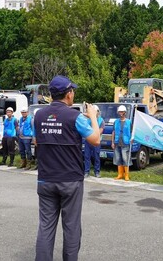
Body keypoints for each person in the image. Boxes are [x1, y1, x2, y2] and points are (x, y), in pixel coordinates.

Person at [34, 75, 100, 261]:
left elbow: (37, 140)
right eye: (73, 91)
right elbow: (95, 140)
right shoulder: (76, 117)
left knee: (46, 226)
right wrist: (93, 117)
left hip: (46, 179)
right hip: (70, 180)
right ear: (69, 94)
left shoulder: (38, 115)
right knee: (71, 227)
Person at [111, 105, 133, 181]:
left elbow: (131, 132)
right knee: (118, 158)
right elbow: (113, 132)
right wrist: (112, 142)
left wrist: (132, 139)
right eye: (120, 112)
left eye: (122, 112)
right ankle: (120, 174)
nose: (121, 113)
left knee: (125, 158)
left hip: (125, 142)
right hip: (117, 142)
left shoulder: (129, 122)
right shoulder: (116, 122)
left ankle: (126, 175)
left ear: (125, 112)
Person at [84, 105, 105, 178]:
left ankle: (97, 172)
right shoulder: (88, 120)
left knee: (96, 157)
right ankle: (86, 171)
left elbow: (100, 131)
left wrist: (93, 134)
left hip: (96, 141)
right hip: (88, 141)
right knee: (87, 156)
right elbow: (85, 130)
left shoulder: (101, 120)